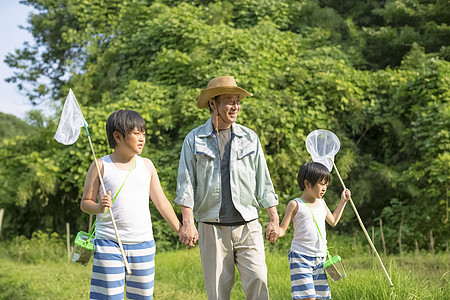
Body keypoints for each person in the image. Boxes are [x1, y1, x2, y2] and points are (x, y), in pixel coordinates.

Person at [175, 76, 280, 300]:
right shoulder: (194, 140)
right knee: (217, 292)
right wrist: (188, 223)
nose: (236, 107)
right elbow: (186, 184)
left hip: (248, 224)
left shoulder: (250, 138)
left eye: (238, 101)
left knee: (259, 280)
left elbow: (264, 180)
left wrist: (273, 218)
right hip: (212, 227)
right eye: (230, 101)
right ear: (213, 104)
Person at [81, 109, 182, 299]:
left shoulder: (147, 166)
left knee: (142, 296)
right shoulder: (100, 166)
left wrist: (180, 230)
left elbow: (161, 202)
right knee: (109, 297)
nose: (142, 138)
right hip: (109, 243)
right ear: (117, 137)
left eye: (143, 133)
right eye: (136, 133)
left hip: (143, 244)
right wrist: (98, 207)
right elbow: (85, 203)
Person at [278, 162, 351, 300]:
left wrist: (343, 201)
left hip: (320, 259)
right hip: (300, 258)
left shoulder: (322, 203)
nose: (324, 189)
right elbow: (282, 228)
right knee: (308, 297)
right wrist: (276, 231)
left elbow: (333, 221)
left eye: (326, 185)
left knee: (322, 297)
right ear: (307, 184)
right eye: (321, 184)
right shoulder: (295, 204)